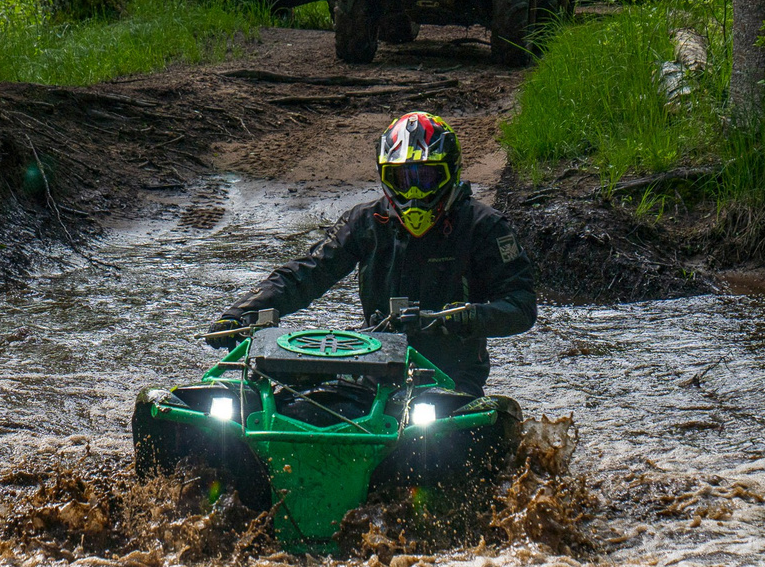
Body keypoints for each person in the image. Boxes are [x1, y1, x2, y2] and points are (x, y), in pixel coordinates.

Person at [206, 113, 536, 397]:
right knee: (296, 399)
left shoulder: (485, 226)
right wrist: (241, 314)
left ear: (451, 172)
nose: (415, 192)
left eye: (425, 177)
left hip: (450, 376)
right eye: (403, 179)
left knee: (441, 437)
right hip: (374, 366)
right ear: (385, 177)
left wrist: (458, 319)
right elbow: (306, 273)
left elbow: (521, 305)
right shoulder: (365, 222)